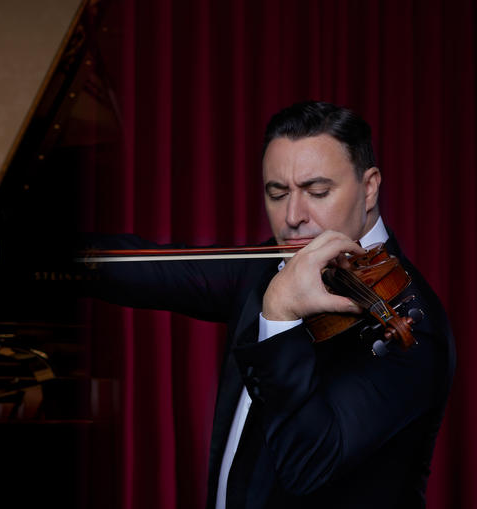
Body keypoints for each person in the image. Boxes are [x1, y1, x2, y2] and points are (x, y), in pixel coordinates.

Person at [83, 101, 455, 508]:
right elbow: (148, 271)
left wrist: (278, 315)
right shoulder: (267, 267)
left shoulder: (410, 325)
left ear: (369, 188)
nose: (293, 216)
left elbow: (308, 466)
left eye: (318, 191)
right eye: (277, 194)